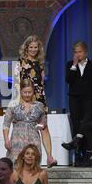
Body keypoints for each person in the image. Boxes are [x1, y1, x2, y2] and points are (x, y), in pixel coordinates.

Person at [17, 36, 58, 167]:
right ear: (26, 48)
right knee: (27, 129)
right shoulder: (21, 61)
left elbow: (42, 83)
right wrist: (20, 100)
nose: (33, 50)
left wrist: (44, 100)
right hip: (27, 97)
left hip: (40, 98)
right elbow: (19, 82)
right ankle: (26, 160)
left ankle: (50, 157)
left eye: (35, 47)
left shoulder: (40, 63)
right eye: (31, 47)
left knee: (44, 128)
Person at [3, 79, 52, 164]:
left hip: (33, 142)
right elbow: (6, 125)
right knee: (17, 168)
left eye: (29, 92)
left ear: (33, 91)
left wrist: (49, 155)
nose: (27, 95)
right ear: (20, 91)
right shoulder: (13, 105)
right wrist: (6, 140)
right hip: (17, 143)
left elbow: (45, 131)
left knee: (33, 169)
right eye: (25, 92)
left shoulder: (39, 106)